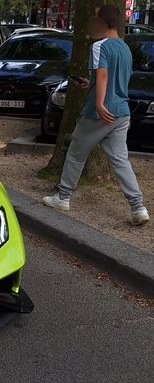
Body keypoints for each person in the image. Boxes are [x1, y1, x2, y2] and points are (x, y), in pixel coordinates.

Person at [42, 5, 149, 226]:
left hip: (99, 113)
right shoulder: (126, 49)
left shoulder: (99, 46)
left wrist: (99, 103)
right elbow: (114, 81)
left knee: (75, 153)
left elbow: (103, 75)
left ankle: (62, 197)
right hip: (122, 112)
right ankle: (138, 207)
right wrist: (90, 85)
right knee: (120, 161)